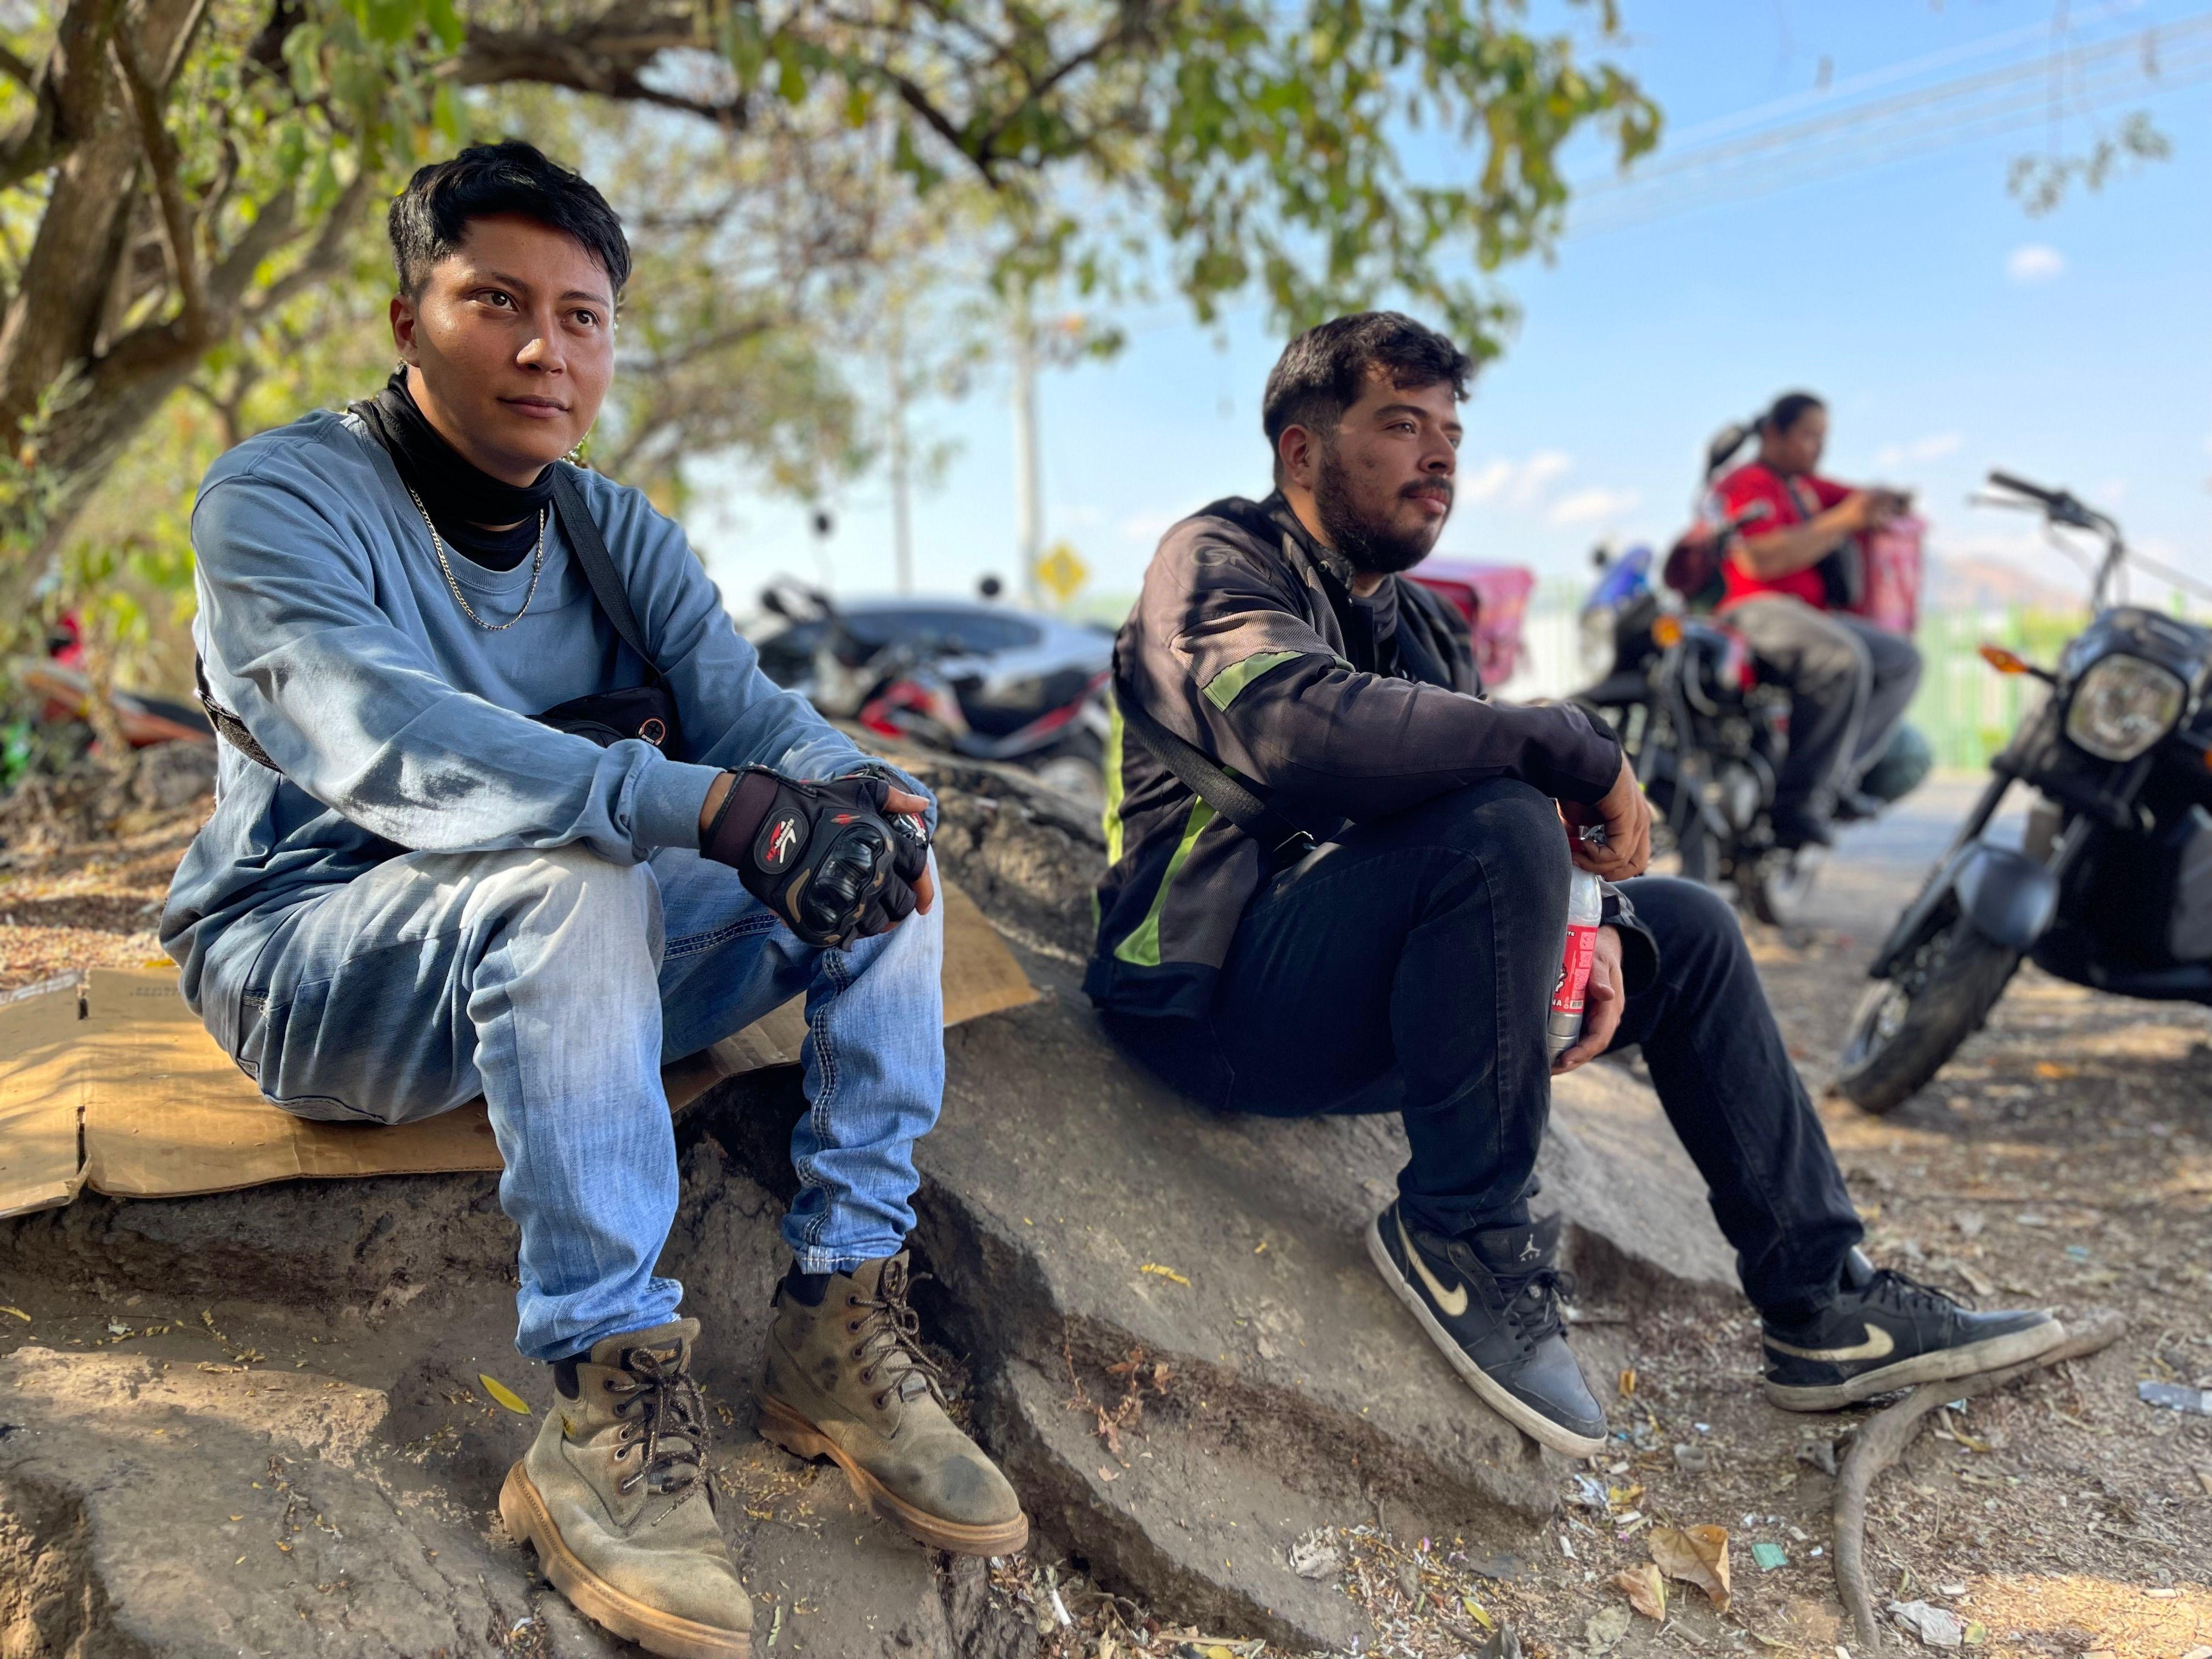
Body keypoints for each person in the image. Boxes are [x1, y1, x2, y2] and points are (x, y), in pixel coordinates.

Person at [161, 143, 1024, 1659]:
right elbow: (387, 736)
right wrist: (692, 804)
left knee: (883, 852)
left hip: (569, 944)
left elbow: (754, 720)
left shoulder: (613, 531)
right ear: (406, 318)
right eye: (495, 300)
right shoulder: (280, 502)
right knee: (569, 881)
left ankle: (837, 1317)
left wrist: (848, 786)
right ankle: (603, 1405)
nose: (544, 348)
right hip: (316, 958)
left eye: (581, 314)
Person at [1091, 312, 2062, 1458]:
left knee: (1686, 928)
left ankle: (1821, 1303)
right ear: (1301, 451)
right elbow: (1302, 730)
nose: (1439, 455)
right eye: (1401, 425)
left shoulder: (1424, 626)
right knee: (1497, 811)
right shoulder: (1216, 562)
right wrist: (1569, 743)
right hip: (1214, 995)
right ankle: (1460, 1234)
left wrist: (1591, 914)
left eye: (1449, 430)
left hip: (1384, 990)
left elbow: (1519, 814)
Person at [1707, 392, 1923, 849]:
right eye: (1808, 435)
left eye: (1822, 438)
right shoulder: (1744, 483)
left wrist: (1888, 501)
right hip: (1752, 609)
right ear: (1773, 434)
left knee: (1902, 660)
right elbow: (1758, 563)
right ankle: (1798, 801)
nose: (1817, 448)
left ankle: (1834, 776)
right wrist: (1843, 521)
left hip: (1811, 616)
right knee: (1839, 658)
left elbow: (1859, 499)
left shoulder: (1806, 488)